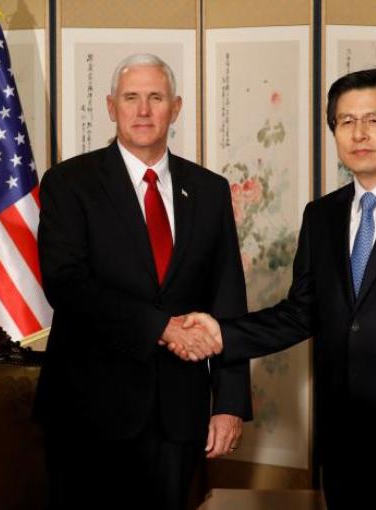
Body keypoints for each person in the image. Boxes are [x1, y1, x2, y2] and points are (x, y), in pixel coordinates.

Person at [169, 69, 376, 509]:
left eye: (375, 120)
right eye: (345, 122)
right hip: (341, 437)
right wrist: (222, 334)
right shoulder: (321, 216)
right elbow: (302, 312)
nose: (359, 133)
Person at [33, 53, 251, 509]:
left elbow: (228, 298)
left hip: (178, 414)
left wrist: (229, 403)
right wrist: (161, 328)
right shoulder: (70, 183)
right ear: (112, 107)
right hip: (88, 412)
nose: (144, 110)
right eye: (131, 98)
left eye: (155, 98)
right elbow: (67, 285)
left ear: (176, 107)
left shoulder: (209, 191)